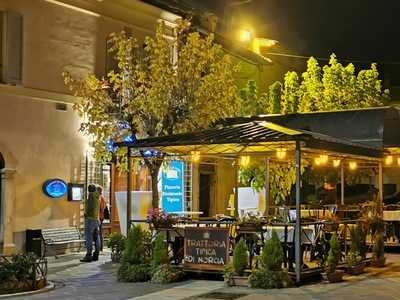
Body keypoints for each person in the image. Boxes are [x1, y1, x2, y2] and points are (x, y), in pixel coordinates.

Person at [81, 184, 101, 262]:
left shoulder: (91, 196)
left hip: (90, 219)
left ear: (89, 189)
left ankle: (88, 255)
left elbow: (89, 207)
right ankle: (96, 254)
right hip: (96, 219)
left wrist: (86, 213)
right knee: (96, 237)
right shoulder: (97, 197)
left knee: (89, 237)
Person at [97, 185, 107, 252]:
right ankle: (100, 247)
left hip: (99, 217)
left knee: (98, 232)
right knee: (99, 232)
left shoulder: (100, 198)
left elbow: (102, 208)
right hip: (101, 217)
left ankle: (100, 247)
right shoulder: (102, 198)